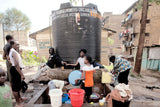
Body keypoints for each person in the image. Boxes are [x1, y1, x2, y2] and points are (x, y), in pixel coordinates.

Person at [8, 41, 25, 107]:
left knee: (18, 85)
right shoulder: (13, 52)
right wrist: (21, 74)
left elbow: (9, 59)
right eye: (16, 44)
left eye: (18, 44)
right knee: (15, 88)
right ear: (12, 45)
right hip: (15, 69)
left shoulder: (12, 51)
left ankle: (20, 99)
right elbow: (16, 65)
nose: (18, 45)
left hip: (15, 69)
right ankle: (17, 103)